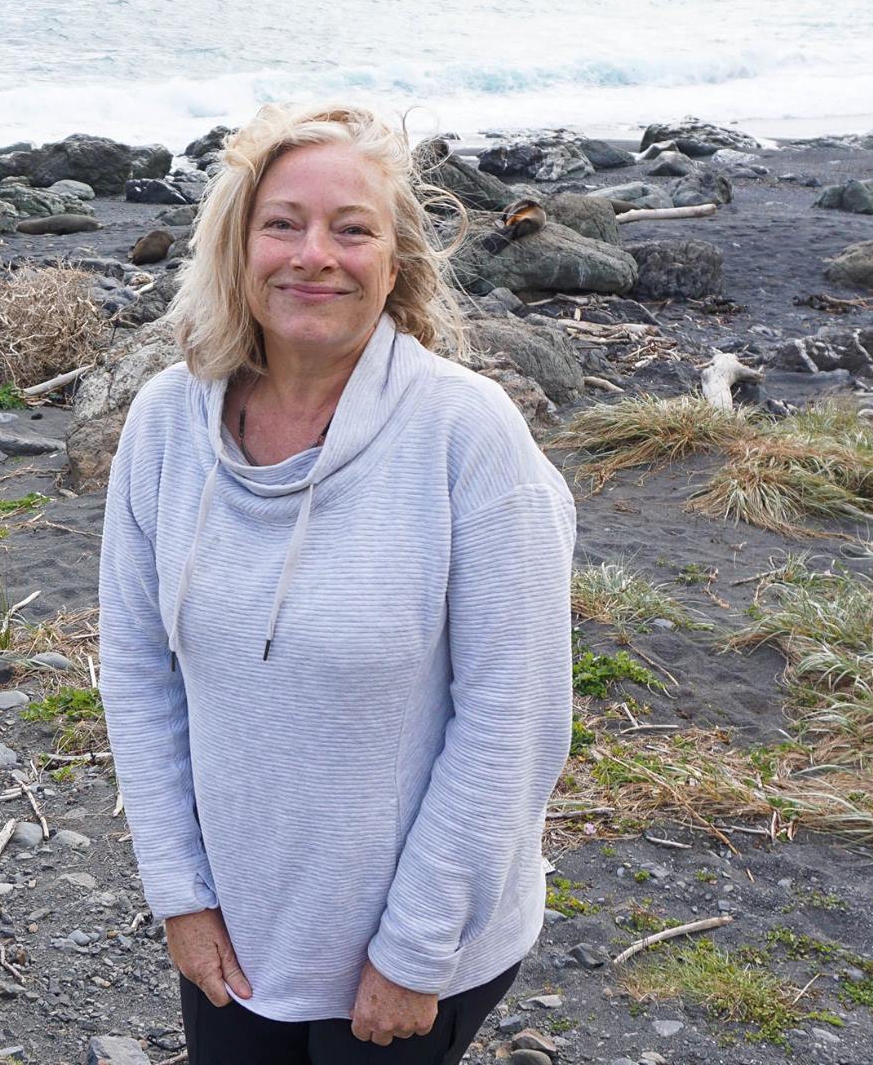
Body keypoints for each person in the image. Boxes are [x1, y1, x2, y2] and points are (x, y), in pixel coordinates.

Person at [98, 102, 576, 1062]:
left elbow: (512, 720)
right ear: (237, 248)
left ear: (394, 264)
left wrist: (415, 949)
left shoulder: (468, 437)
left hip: (410, 947)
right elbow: (139, 671)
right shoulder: (163, 423)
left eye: (351, 229)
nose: (314, 254)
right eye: (283, 223)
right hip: (236, 928)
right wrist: (180, 895)